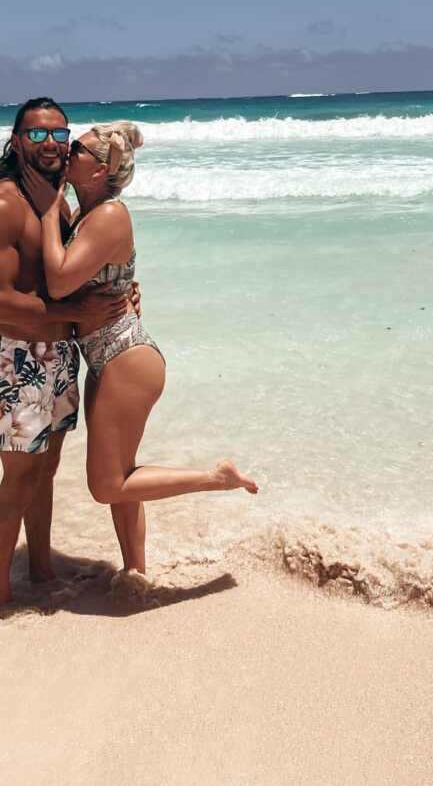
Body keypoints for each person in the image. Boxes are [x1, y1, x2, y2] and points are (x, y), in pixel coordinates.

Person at [21, 120, 257, 580]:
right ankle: (136, 574)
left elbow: (59, 279)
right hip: (108, 357)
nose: (71, 153)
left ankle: (216, 479)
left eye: (83, 151)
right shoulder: (88, 213)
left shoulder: (109, 214)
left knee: (106, 485)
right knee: (123, 476)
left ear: (101, 170)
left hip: (126, 356)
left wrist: (50, 210)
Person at [0, 99, 131, 610]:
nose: (53, 144)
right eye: (38, 136)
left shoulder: (57, 202)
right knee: (19, 479)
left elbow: (82, 269)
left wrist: (124, 291)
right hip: (22, 359)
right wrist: (76, 305)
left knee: (46, 472)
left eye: (61, 134)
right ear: (16, 143)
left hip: (61, 356)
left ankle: (40, 572)